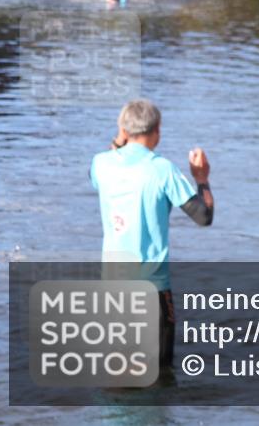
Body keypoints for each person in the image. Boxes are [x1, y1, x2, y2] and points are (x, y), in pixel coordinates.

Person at [90, 99, 215, 369]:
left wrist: (120, 136)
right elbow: (204, 216)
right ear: (157, 130)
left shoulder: (100, 164)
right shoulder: (162, 170)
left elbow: (112, 155)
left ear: (123, 130)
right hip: (151, 288)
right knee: (158, 373)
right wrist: (202, 177)